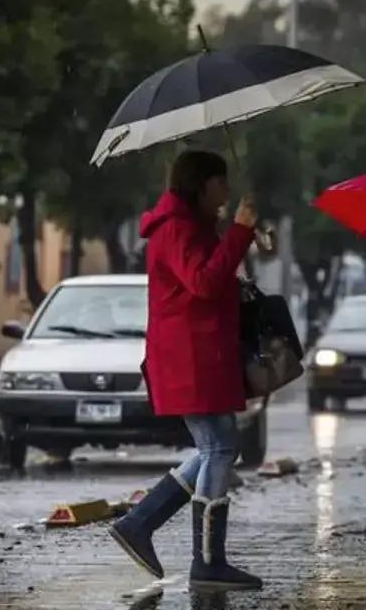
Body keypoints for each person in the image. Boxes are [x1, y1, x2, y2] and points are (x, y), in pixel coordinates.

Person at [109, 149, 262, 590]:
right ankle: (206, 561)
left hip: (201, 353)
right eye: (221, 182)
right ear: (202, 184)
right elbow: (203, 282)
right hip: (189, 357)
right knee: (219, 447)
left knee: (219, 445)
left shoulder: (191, 227)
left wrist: (241, 237)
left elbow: (214, 278)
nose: (226, 191)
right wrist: (238, 232)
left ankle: (141, 523)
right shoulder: (175, 228)